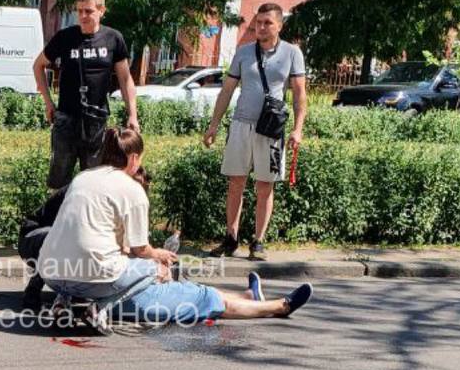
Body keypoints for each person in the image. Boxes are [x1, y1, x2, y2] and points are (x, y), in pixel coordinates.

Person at [38, 127, 313, 330]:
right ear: (134, 159)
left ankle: (249, 297)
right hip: (99, 278)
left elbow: (97, 240)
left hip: (52, 271)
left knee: (137, 276)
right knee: (187, 288)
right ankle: (279, 306)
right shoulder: (131, 190)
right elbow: (139, 249)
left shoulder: (83, 178)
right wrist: (159, 256)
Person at [202, 3, 308, 260]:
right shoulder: (243, 52)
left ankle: (258, 242)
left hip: (271, 128)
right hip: (241, 124)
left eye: (267, 23)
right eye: (258, 22)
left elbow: (299, 94)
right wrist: (214, 124)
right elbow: (227, 90)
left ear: (280, 25)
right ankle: (230, 238)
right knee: (235, 182)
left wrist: (297, 129)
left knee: (265, 185)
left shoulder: (292, 53)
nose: (261, 27)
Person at [33, 0, 138, 190]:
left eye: (88, 11)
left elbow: (125, 79)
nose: (82, 16)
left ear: (101, 10)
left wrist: (132, 115)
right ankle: (58, 220)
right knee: (58, 182)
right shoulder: (65, 37)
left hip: (96, 121)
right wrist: (48, 102)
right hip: (65, 119)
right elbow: (38, 65)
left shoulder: (113, 39)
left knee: (93, 182)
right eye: (79, 11)